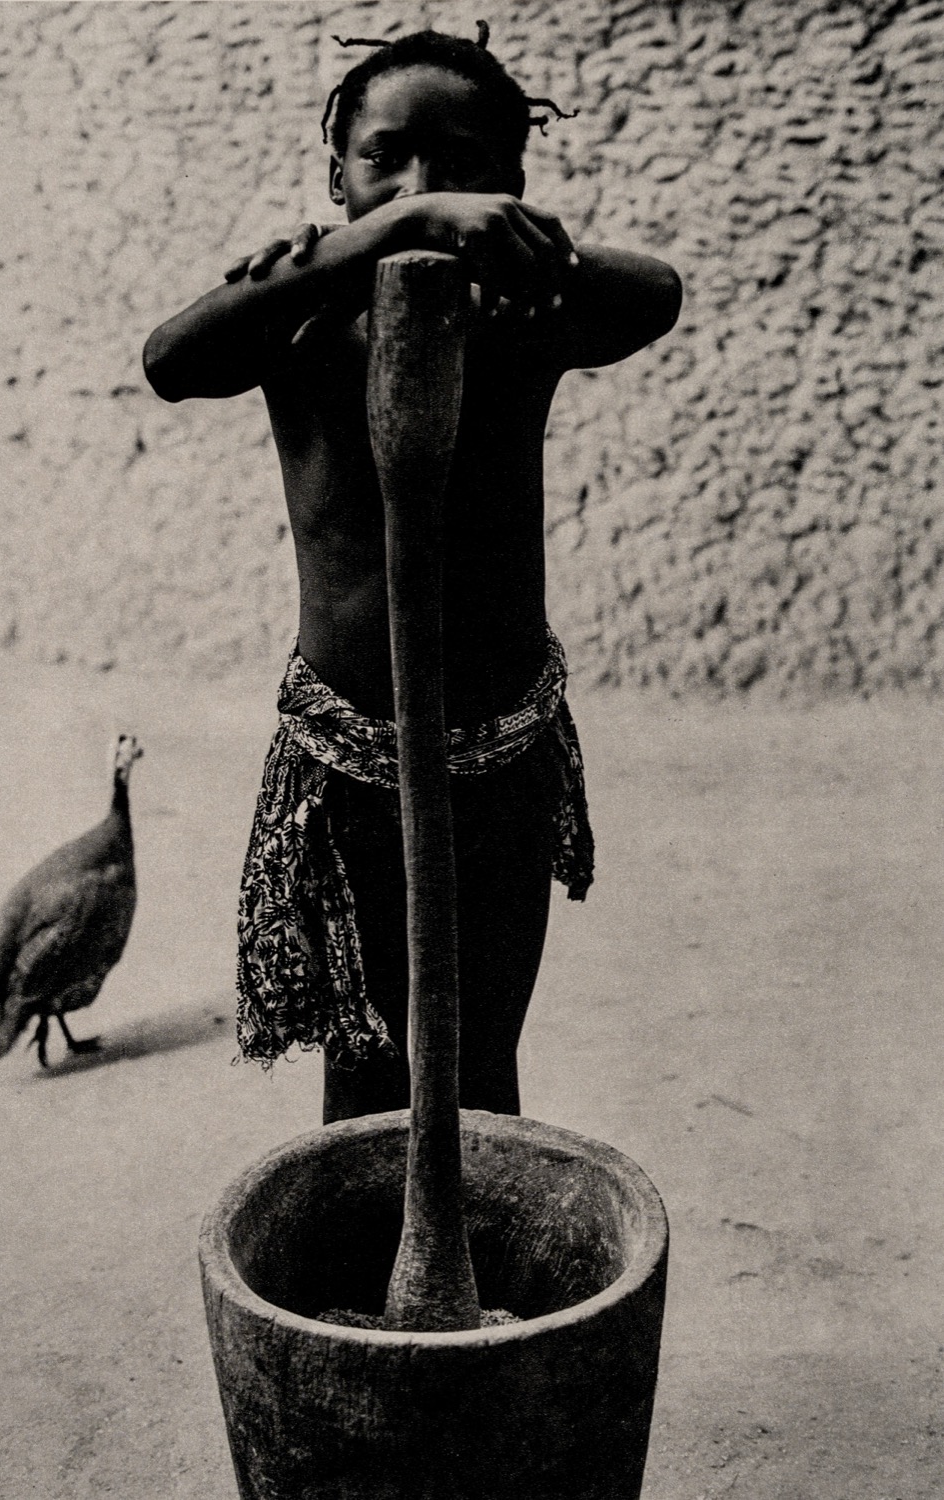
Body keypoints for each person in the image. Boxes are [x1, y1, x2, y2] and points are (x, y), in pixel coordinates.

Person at [143, 24, 682, 1123]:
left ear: (512, 186)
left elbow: (654, 292)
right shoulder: (300, 314)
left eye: (463, 165)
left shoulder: (521, 312)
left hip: (501, 753)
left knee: (478, 1061)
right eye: (384, 159)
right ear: (335, 174)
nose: (421, 184)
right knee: (368, 1072)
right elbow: (171, 360)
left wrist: (517, 249)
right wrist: (387, 235)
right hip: (352, 761)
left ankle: (474, 1229)